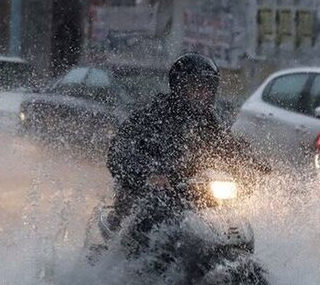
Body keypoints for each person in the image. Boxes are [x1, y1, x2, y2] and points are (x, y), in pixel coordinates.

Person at [106, 53, 268, 239]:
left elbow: (229, 148)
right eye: (195, 87)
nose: (202, 93)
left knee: (226, 216)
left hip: (192, 194)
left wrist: (255, 167)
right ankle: (130, 260)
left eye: (207, 88)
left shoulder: (209, 122)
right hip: (149, 194)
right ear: (179, 87)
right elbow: (119, 151)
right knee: (145, 220)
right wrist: (147, 173)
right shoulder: (149, 117)